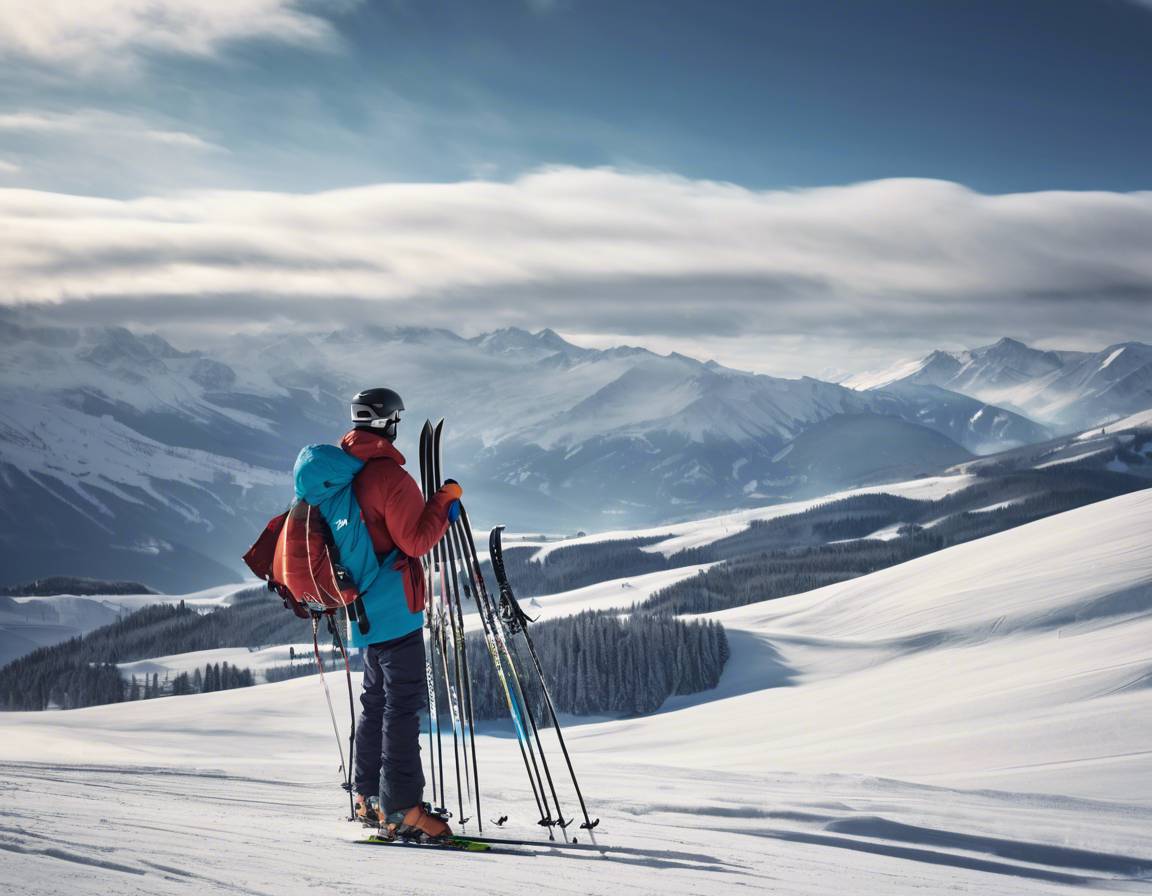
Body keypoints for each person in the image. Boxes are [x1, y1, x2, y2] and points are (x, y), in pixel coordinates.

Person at [342, 387, 462, 840]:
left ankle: (368, 796)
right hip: (396, 610)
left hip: (363, 612)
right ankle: (402, 809)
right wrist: (444, 503)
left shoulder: (347, 474)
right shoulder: (390, 478)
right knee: (402, 706)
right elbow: (414, 541)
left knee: (375, 703)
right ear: (388, 423)